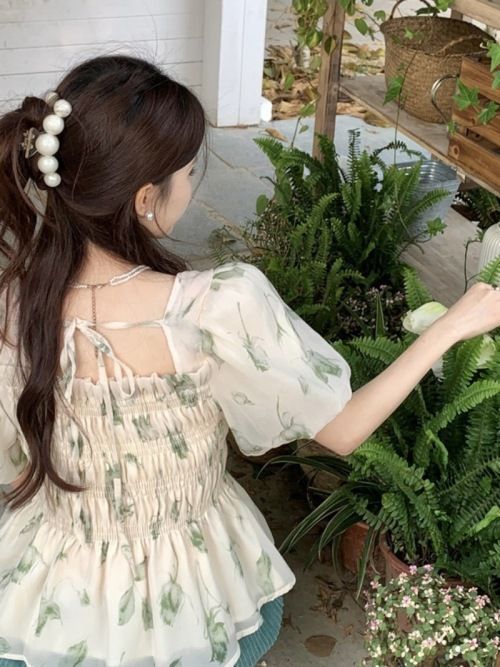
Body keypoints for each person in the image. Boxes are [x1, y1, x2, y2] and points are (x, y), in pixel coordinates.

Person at [1, 55, 500, 667]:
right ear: (146, 197)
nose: (192, 187)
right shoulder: (213, 306)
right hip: (193, 584)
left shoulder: (17, 303)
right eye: (188, 172)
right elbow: (342, 431)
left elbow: (14, 461)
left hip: (55, 584)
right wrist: (450, 328)